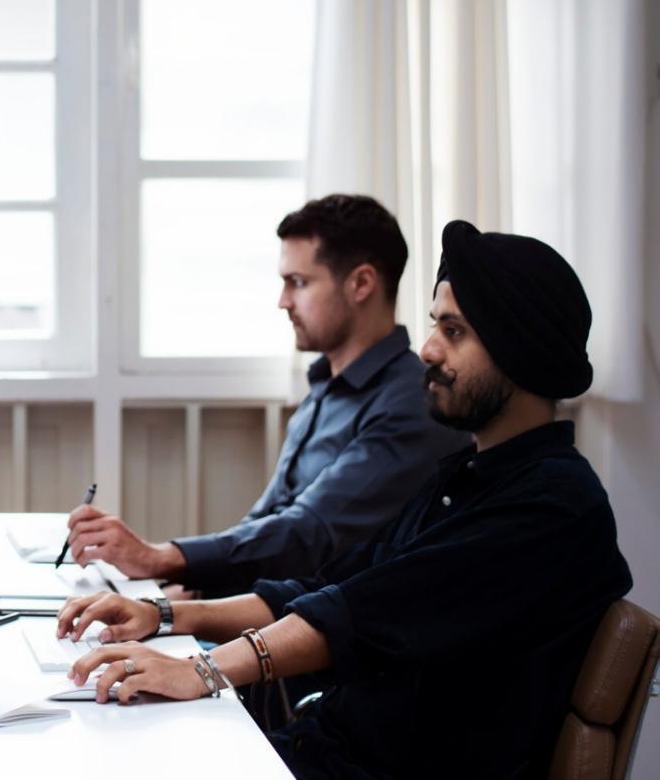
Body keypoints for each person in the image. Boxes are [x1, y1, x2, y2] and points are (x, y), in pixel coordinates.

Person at [54, 220, 632, 779]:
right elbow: (329, 587)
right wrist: (162, 615)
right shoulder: (467, 478)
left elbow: (357, 613)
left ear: (521, 351)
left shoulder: (552, 508)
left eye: (454, 332)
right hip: (327, 749)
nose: (428, 350)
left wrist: (200, 671)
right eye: (435, 325)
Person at [66, 194, 466, 595]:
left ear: (361, 283)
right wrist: (187, 592)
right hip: (270, 609)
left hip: (321, 624)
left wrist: (161, 557)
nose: (283, 301)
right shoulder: (324, 390)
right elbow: (265, 525)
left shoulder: (412, 404)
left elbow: (309, 536)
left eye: (298, 282)